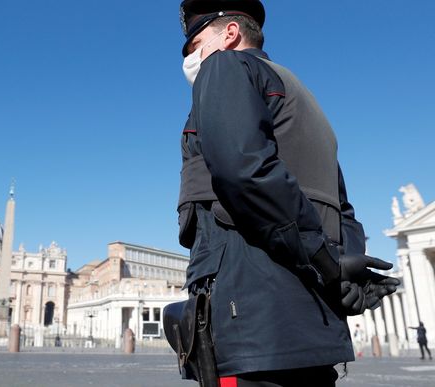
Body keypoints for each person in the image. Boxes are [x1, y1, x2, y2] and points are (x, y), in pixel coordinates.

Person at [170, 1, 401, 386]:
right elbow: (344, 211)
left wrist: (326, 263)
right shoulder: (306, 102)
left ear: (229, 35)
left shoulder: (227, 67)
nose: (191, 58)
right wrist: (343, 275)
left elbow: (244, 170)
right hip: (311, 324)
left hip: (251, 319)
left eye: (195, 45)